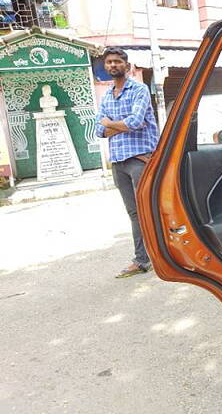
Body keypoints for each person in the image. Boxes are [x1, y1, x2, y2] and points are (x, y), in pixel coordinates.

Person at [95, 47, 159, 278]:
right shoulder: (106, 96)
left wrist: (110, 124)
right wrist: (113, 125)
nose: (113, 65)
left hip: (141, 159)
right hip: (119, 162)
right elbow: (98, 130)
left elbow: (135, 121)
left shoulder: (139, 90)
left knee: (149, 209)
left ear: (126, 65)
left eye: (117, 61)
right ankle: (143, 260)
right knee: (134, 213)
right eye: (109, 62)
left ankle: (165, 255)